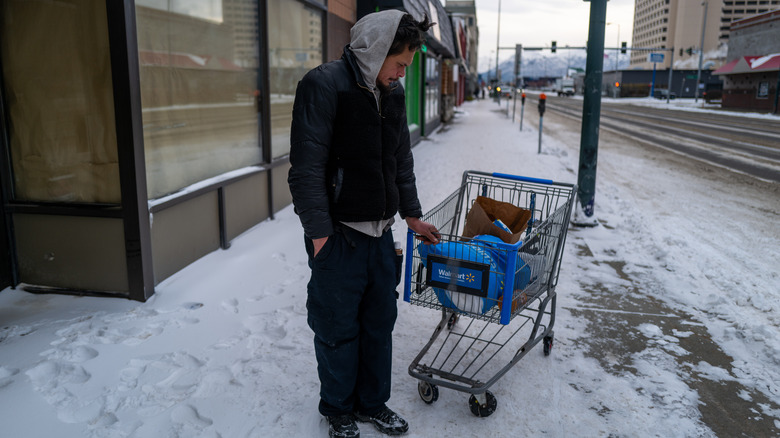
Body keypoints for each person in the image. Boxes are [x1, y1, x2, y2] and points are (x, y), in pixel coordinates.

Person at [288, 10, 440, 438]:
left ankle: (373, 403)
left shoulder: (391, 93)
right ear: (377, 51)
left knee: (378, 325)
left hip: (381, 235)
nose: (401, 73)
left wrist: (411, 215)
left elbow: (400, 162)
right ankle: (338, 409)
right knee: (337, 328)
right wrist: (320, 236)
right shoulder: (324, 85)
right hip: (339, 237)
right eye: (400, 64)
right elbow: (305, 169)